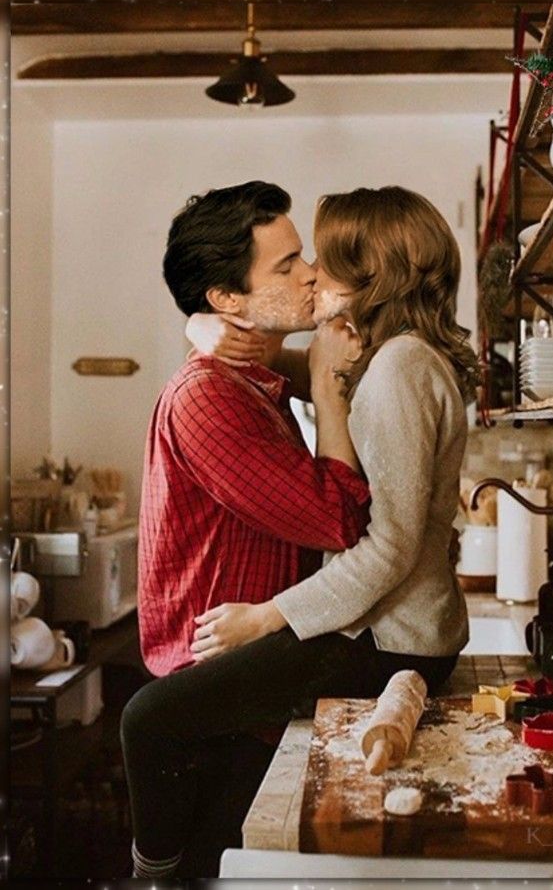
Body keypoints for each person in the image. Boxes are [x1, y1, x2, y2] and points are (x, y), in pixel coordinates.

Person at [121, 184, 479, 879]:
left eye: (320, 257)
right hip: (353, 628)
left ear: (373, 272)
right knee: (216, 825)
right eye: (290, 263)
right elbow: (272, 373)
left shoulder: (396, 367)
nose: (312, 273)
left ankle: (153, 876)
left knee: (155, 736)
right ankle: (168, 871)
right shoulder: (389, 362)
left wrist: (267, 618)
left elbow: (369, 534)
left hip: (380, 630)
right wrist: (200, 326)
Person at [138, 181, 371, 679]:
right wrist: (328, 390)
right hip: (211, 681)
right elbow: (340, 519)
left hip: (250, 665)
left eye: (302, 257)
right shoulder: (208, 397)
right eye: (286, 266)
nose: (312, 274)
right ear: (226, 298)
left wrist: (198, 323)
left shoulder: (255, 375)